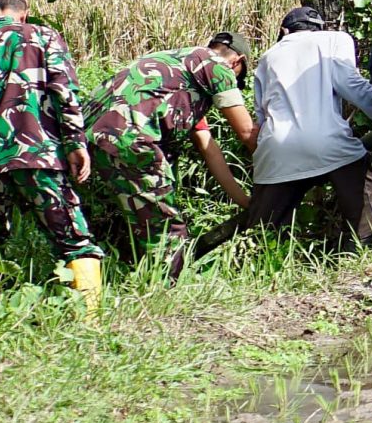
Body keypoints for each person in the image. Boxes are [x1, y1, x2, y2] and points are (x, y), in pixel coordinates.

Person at [0, 0, 103, 313]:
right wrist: (76, 143)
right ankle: (92, 321)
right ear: (24, 10)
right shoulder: (43, 37)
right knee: (74, 236)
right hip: (40, 156)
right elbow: (65, 93)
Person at [195, 6, 372, 258]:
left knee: (260, 230)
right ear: (319, 28)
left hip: (277, 148)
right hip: (329, 145)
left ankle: (253, 266)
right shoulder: (336, 39)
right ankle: (360, 255)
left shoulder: (269, 57)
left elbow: (261, 116)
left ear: (284, 31)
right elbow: (354, 86)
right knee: (364, 206)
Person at [81, 34, 258, 278]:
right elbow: (248, 133)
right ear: (238, 62)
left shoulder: (178, 68)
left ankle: (139, 273)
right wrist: (278, 176)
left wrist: (244, 201)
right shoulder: (217, 65)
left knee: (145, 221)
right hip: (133, 140)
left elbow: (208, 148)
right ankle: (168, 289)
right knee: (166, 229)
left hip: (93, 140)